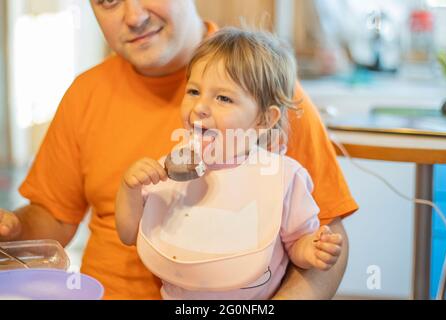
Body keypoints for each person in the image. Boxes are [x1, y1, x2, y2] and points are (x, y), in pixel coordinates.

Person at [0, 0, 358, 299]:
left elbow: (324, 232)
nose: (135, 17)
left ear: (265, 119)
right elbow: (55, 216)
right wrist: (14, 229)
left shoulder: (264, 86)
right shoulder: (86, 93)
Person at [115, 27, 344, 300]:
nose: (199, 106)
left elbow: (296, 242)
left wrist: (311, 250)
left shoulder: (282, 176)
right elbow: (129, 234)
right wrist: (129, 189)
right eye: (194, 91)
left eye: (223, 98)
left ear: (264, 120)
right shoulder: (170, 169)